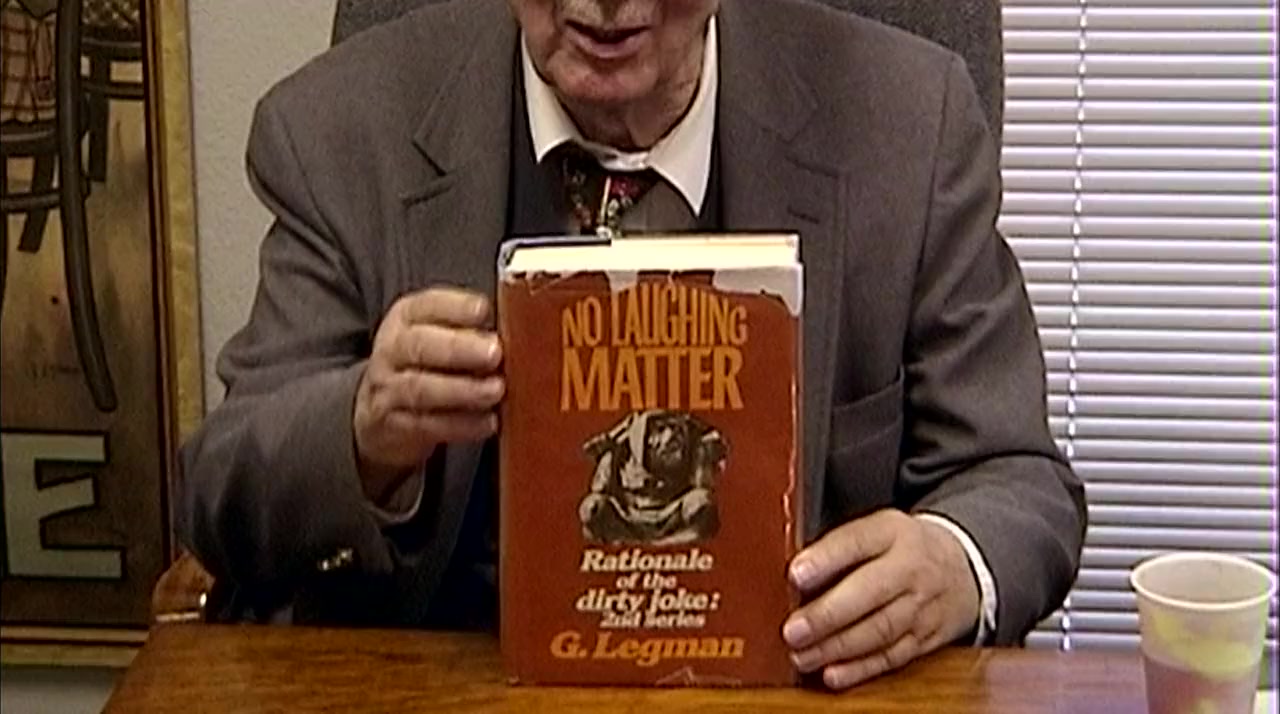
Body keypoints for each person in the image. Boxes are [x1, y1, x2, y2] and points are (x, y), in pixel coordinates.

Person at [177, 0, 1087, 691]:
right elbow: (220, 490)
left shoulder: (907, 120)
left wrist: (952, 561)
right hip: (452, 684)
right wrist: (364, 432)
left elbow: (1017, 479)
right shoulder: (339, 128)